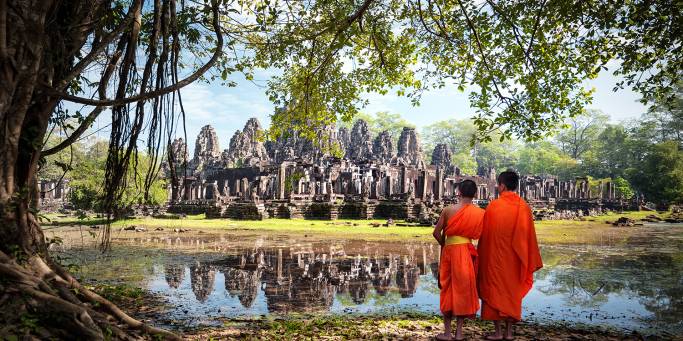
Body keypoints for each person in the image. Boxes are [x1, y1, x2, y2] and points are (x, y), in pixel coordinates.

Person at [477, 171, 543, 340]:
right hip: (515, 260)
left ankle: (498, 332)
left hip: (495, 258)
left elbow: (486, 236)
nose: (498, 187)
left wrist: (481, 257)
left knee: (494, 290)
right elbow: (528, 237)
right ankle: (508, 333)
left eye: (498, 184)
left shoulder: (494, 206)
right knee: (511, 292)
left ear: (502, 185)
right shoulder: (524, 207)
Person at [432, 179, 485, 340]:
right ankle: (459, 333)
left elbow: (436, 233)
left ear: (459, 192)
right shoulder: (480, 213)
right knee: (463, 290)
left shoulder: (448, 210)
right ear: (475, 194)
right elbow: (481, 235)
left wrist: (446, 244)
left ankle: (447, 333)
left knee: (447, 288)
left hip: (450, 252)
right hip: (466, 253)